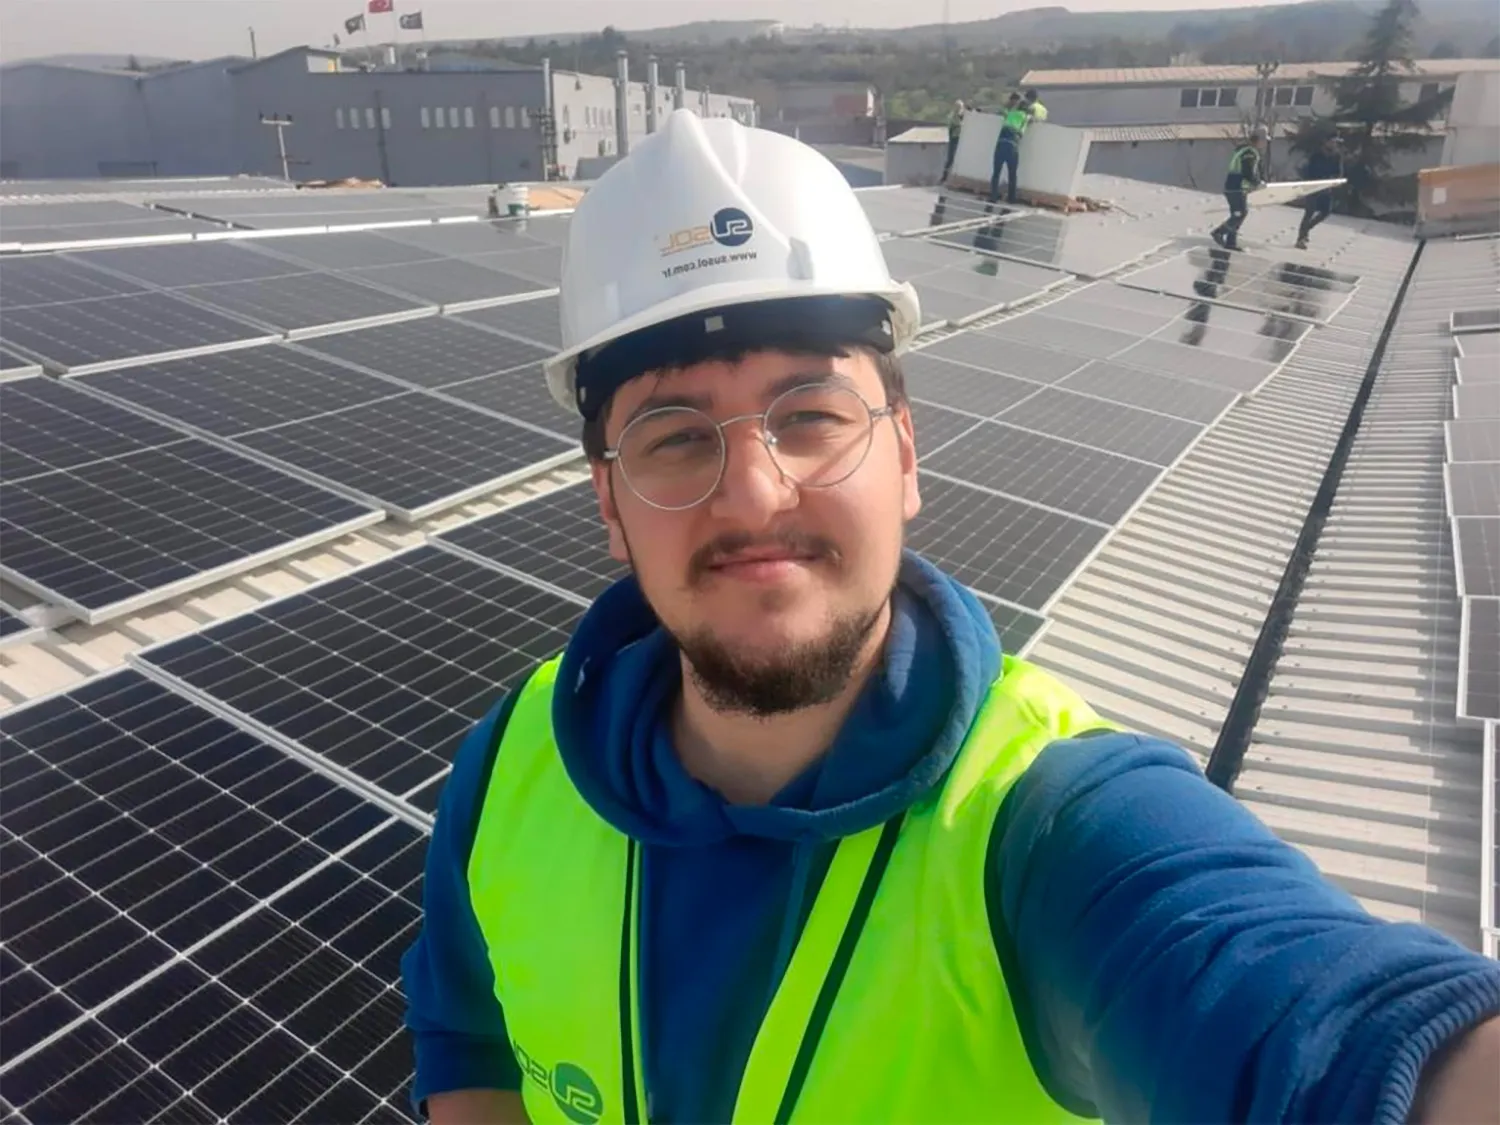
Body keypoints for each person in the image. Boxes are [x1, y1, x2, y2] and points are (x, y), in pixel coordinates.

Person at [401, 108, 1500, 1125]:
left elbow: (1331, 1029)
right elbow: (468, 1044)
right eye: (676, 438)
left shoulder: (1052, 828)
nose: (754, 494)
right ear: (609, 502)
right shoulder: (514, 763)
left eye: (811, 414)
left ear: (906, 453)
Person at [1211, 123, 1268, 251]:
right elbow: (1248, 171)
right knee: (1240, 214)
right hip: (1237, 187)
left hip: (1232, 186)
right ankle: (1219, 232)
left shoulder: (1242, 150)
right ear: (1259, 140)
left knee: (1236, 214)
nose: (1265, 144)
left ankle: (1231, 243)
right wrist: (1257, 183)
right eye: (1264, 141)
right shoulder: (1250, 153)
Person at [1297, 133, 1344, 250]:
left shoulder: (1337, 156)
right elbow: (1309, 170)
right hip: (1313, 186)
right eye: (1332, 141)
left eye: (1335, 142)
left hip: (1327, 188)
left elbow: (1338, 172)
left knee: (1326, 211)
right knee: (1309, 212)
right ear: (1326, 142)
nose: (1334, 144)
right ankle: (1301, 238)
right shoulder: (1316, 155)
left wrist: (1333, 181)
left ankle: (1306, 229)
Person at [989, 92, 1029, 205]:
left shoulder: (1010, 113)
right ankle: (1011, 198)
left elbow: (1003, 111)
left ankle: (993, 197)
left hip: (1001, 143)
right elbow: (1022, 132)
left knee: (996, 172)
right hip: (1012, 145)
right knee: (1012, 173)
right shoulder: (1025, 117)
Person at [942, 99, 966, 180]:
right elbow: (956, 124)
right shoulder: (954, 116)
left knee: (954, 158)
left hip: (958, 138)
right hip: (954, 138)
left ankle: (948, 176)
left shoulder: (959, 116)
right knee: (951, 158)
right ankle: (945, 176)